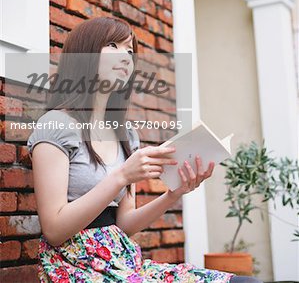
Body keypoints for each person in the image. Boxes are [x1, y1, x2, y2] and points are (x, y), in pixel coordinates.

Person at [27, 16, 263, 282]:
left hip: (123, 261)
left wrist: (173, 195)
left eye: (130, 50)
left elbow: (124, 224)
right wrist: (123, 176)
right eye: (114, 46)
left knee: (245, 282)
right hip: (74, 264)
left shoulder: (126, 135)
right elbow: (55, 230)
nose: (127, 56)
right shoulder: (56, 125)